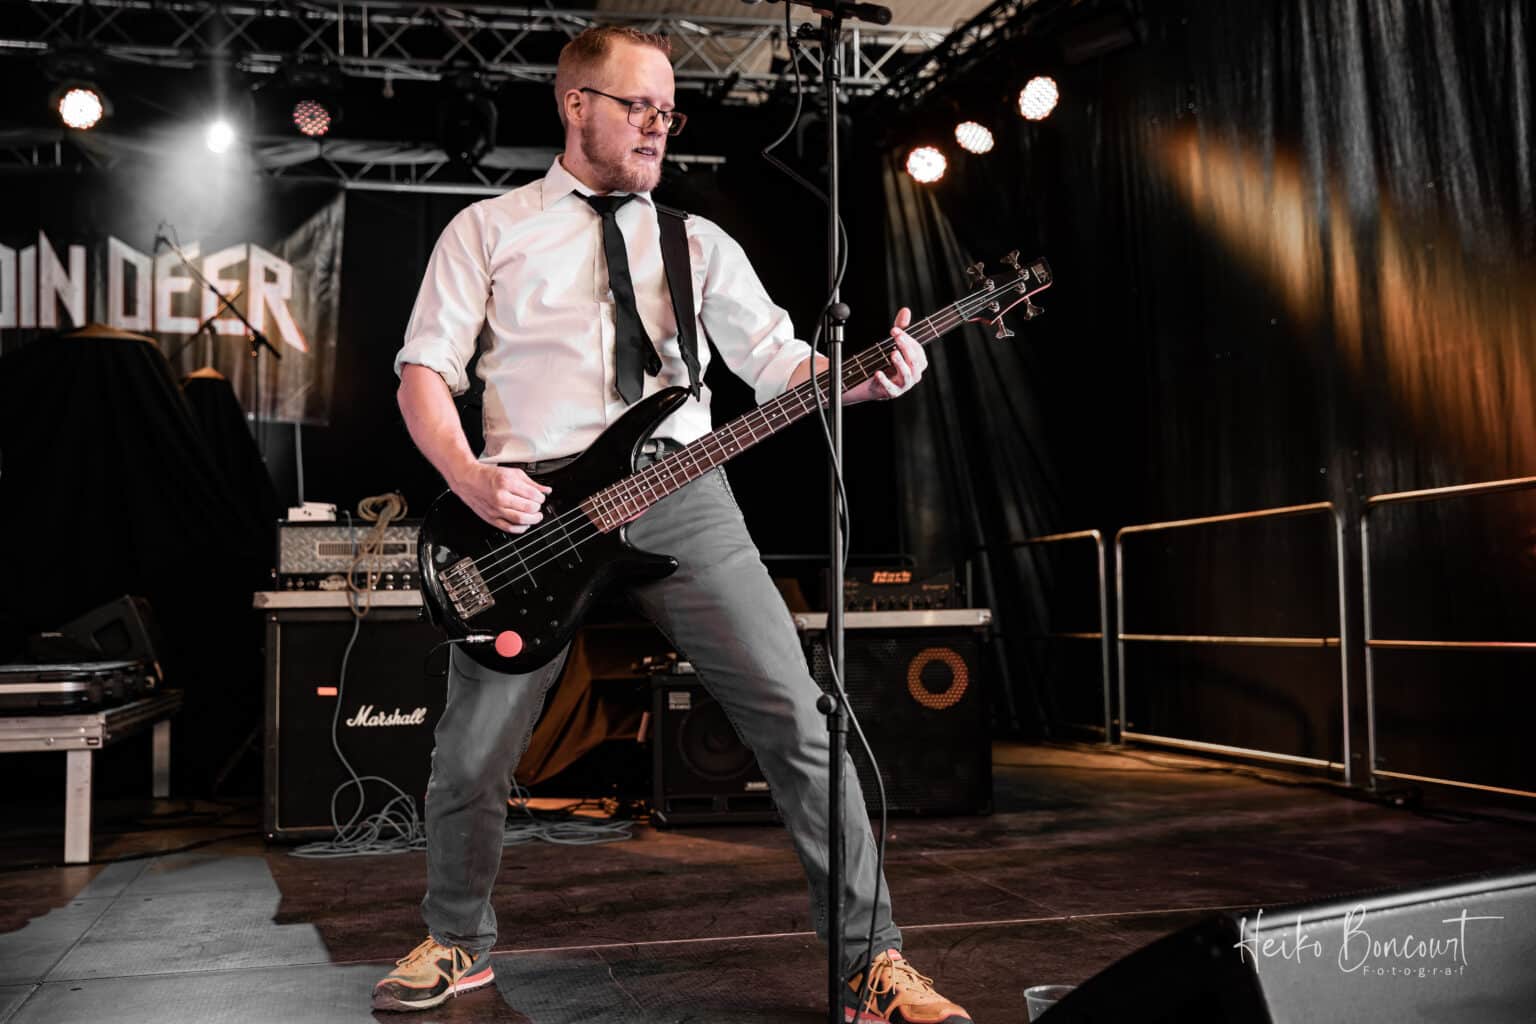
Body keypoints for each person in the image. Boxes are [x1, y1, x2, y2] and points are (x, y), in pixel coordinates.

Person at [377, 24, 971, 1024]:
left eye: (668, 110)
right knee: (471, 750)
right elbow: (423, 373)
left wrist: (866, 378)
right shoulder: (487, 229)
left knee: (802, 720)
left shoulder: (698, 243)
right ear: (576, 104)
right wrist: (469, 477)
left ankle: (871, 962)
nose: (657, 125)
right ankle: (454, 938)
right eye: (637, 105)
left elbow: (779, 364)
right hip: (533, 514)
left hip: (682, 493)